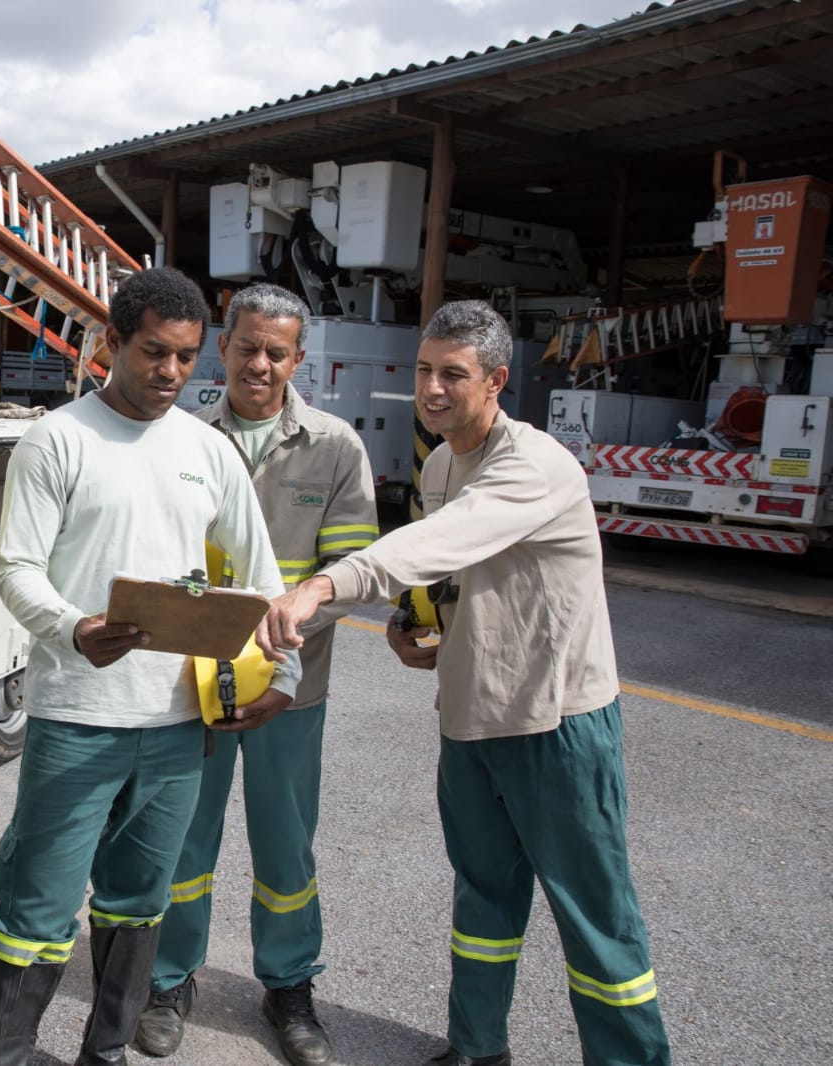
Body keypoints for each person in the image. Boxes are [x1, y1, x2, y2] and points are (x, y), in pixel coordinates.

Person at [257, 300, 671, 1066]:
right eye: (423, 371)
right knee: (482, 900)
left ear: (496, 382)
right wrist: (416, 630)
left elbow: (444, 537)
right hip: (473, 719)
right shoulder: (443, 460)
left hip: (554, 726)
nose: (433, 389)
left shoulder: (534, 465)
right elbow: (447, 574)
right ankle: (479, 1049)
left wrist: (322, 587)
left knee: (594, 920)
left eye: (453, 375)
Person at [0, 267, 301, 1066]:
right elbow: (16, 569)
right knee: (38, 907)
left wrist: (282, 676)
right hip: (77, 719)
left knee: (138, 903)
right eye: (154, 352)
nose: (171, 374)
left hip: (174, 727)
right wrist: (71, 627)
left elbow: (262, 581)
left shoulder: (207, 449)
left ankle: (105, 1053)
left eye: (188, 359)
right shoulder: (59, 439)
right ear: (109, 343)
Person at [133, 284, 376, 1066]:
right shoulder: (178, 436)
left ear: (299, 358)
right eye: (247, 348)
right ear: (223, 349)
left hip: (289, 689)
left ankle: (290, 985)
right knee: (182, 840)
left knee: (285, 847)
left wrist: (283, 658)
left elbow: (350, 572)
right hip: (190, 686)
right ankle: (169, 979)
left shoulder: (337, 446)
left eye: (277, 352)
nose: (260, 364)